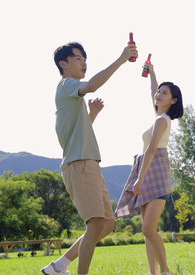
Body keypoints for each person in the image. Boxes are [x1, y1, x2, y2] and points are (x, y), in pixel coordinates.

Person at [42, 41, 138, 275]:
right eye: (78, 58)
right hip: (79, 165)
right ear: (63, 64)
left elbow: (77, 135)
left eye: (85, 58)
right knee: (95, 223)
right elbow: (93, 85)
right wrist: (121, 58)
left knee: (106, 225)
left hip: (89, 165)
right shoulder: (66, 85)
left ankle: (59, 266)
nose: (84, 62)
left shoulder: (73, 98)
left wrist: (91, 115)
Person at [114, 62, 183, 275]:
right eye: (158, 92)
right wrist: (152, 72)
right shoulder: (158, 117)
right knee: (148, 231)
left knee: (147, 229)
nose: (158, 94)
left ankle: (165, 271)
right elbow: (153, 90)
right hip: (147, 169)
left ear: (173, 100)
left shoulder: (163, 120)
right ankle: (153, 273)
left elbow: (152, 149)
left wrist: (139, 179)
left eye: (164, 93)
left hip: (156, 171)